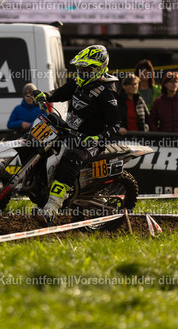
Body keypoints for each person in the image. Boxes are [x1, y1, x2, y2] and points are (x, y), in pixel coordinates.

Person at [32, 45, 120, 226]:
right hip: (70, 132)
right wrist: (44, 95)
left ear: (99, 68)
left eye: (87, 69)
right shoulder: (78, 81)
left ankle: (51, 209)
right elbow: (59, 93)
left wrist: (98, 138)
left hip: (91, 140)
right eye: (80, 68)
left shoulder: (107, 92)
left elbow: (115, 125)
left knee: (71, 158)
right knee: (42, 141)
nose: (82, 73)